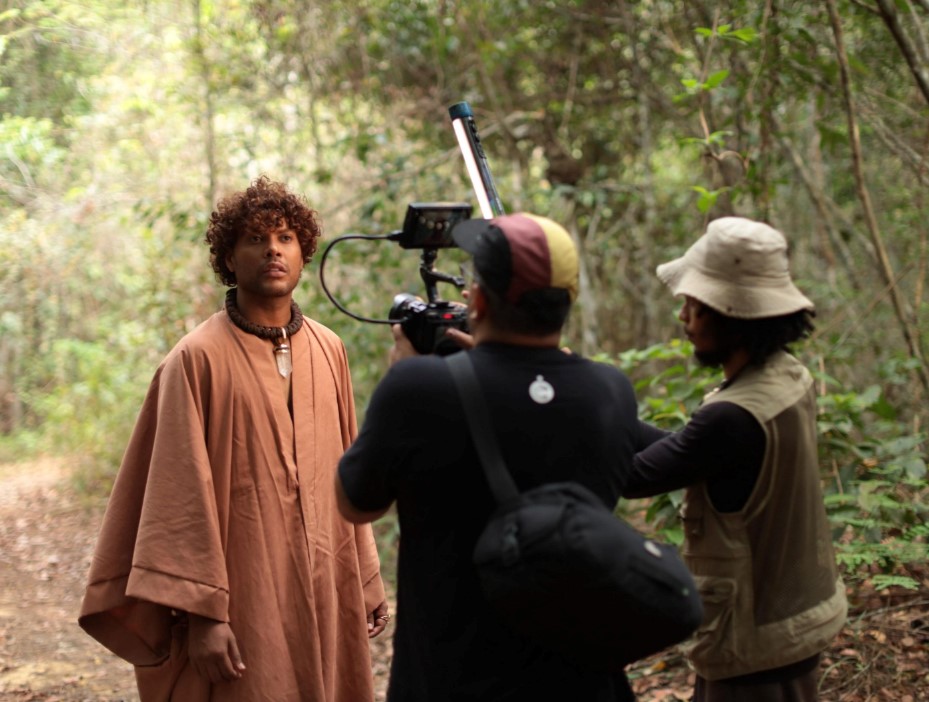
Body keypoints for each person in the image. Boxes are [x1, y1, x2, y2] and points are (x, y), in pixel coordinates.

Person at [78, 176, 388, 701]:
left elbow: (346, 473)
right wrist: (203, 616)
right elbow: (177, 501)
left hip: (324, 583)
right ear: (229, 256)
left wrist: (364, 578)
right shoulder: (194, 360)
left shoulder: (329, 350)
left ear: (303, 251)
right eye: (255, 239)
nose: (273, 250)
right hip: (244, 592)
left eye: (286, 237)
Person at [335, 212, 659, 701]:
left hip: (451, 678)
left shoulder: (419, 389)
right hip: (581, 681)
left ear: (479, 299)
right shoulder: (609, 391)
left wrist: (406, 376)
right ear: (568, 301)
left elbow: (355, 503)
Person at [624, 217, 847, 702]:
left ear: (732, 314)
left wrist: (567, 400)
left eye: (694, 307)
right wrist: (604, 404)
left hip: (753, 638)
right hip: (792, 618)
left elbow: (630, 476)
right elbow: (688, 449)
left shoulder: (732, 416)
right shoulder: (788, 376)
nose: (683, 317)